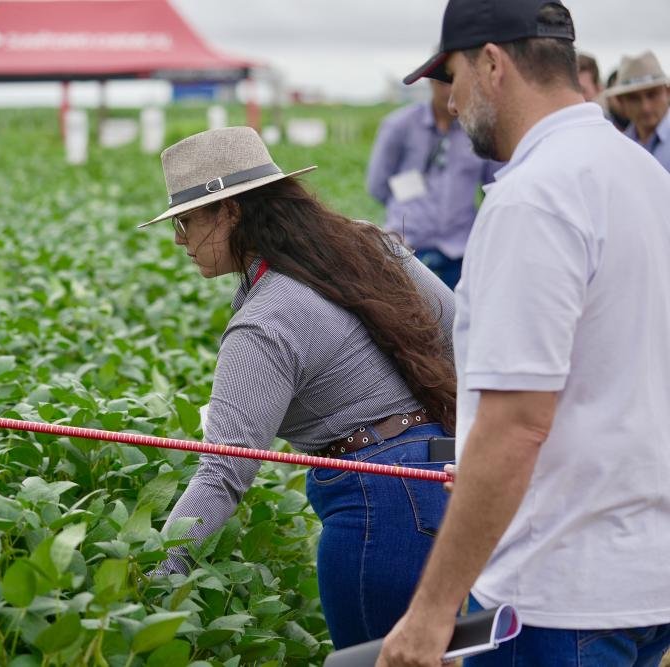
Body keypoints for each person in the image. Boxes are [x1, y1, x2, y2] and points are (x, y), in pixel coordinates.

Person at [378, 0, 670, 665]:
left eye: (453, 76)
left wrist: (430, 614)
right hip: (649, 576)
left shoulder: (535, 196)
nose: (451, 102)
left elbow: (517, 426)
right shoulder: (644, 175)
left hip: (560, 593)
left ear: (492, 63)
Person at [138, 126, 457, 650]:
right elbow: (457, 329)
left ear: (230, 212)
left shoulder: (265, 321)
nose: (178, 238)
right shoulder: (364, 245)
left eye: (186, 220)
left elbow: (224, 469)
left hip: (376, 510)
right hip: (446, 482)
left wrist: (158, 574)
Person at [366, 79, 498, 289]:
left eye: (457, 80)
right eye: (444, 82)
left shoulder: (479, 130)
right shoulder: (399, 125)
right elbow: (377, 185)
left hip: (461, 250)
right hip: (406, 248)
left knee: (458, 317)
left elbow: (494, 188)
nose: (450, 90)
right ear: (430, 82)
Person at [608, 51, 670, 172]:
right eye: (634, 99)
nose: (645, 107)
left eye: (652, 95)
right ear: (621, 102)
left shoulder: (619, 145)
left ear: (667, 93)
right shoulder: (618, 146)